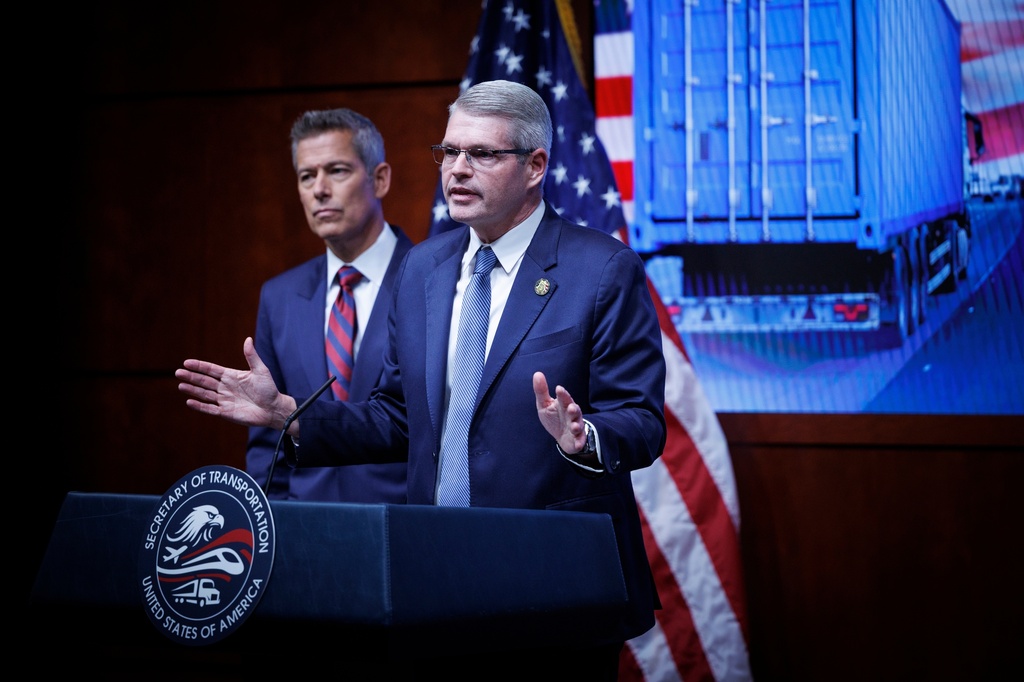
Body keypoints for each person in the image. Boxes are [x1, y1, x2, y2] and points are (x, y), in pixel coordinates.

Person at [177, 79, 666, 679]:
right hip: (436, 584)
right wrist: (289, 416)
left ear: (535, 165)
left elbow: (641, 421)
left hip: (553, 587)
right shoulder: (424, 268)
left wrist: (585, 435)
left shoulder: (603, 268)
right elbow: (396, 416)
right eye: (448, 152)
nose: (457, 170)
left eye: (481, 154)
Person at [246, 108, 412, 502]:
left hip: (405, 531)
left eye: (336, 171)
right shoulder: (279, 296)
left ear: (380, 179)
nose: (319, 189)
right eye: (307, 176)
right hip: (305, 535)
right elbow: (266, 445)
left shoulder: (433, 281)